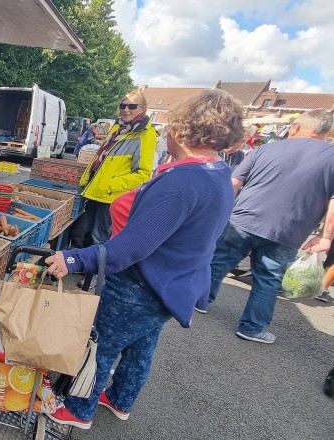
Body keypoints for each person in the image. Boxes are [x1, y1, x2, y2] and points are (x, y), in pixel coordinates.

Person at [42, 89, 244, 429]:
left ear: (181, 130)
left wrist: (74, 260)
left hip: (140, 284)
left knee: (99, 346)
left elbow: (129, 249)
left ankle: (78, 410)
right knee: (140, 346)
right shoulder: (217, 173)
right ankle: (120, 399)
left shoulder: (183, 181)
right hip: (172, 285)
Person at [200, 109, 334, 344]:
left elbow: (234, 183)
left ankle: (199, 301)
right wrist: (325, 236)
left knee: (218, 262)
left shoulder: (266, 148)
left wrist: (220, 214)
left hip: (243, 218)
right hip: (290, 230)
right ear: (325, 132)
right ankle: (252, 327)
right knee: (269, 278)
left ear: (294, 127)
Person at [69, 90, 157, 251]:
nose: (126, 109)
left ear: (142, 108)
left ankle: (94, 275)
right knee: (86, 232)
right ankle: (84, 268)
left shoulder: (146, 134)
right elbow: (102, 158)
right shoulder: (118, 127)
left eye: (132, 106)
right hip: (95, 190)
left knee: (99, 237)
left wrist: (110, 185)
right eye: (123, 105)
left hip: (110, 197)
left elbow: (143, 174)